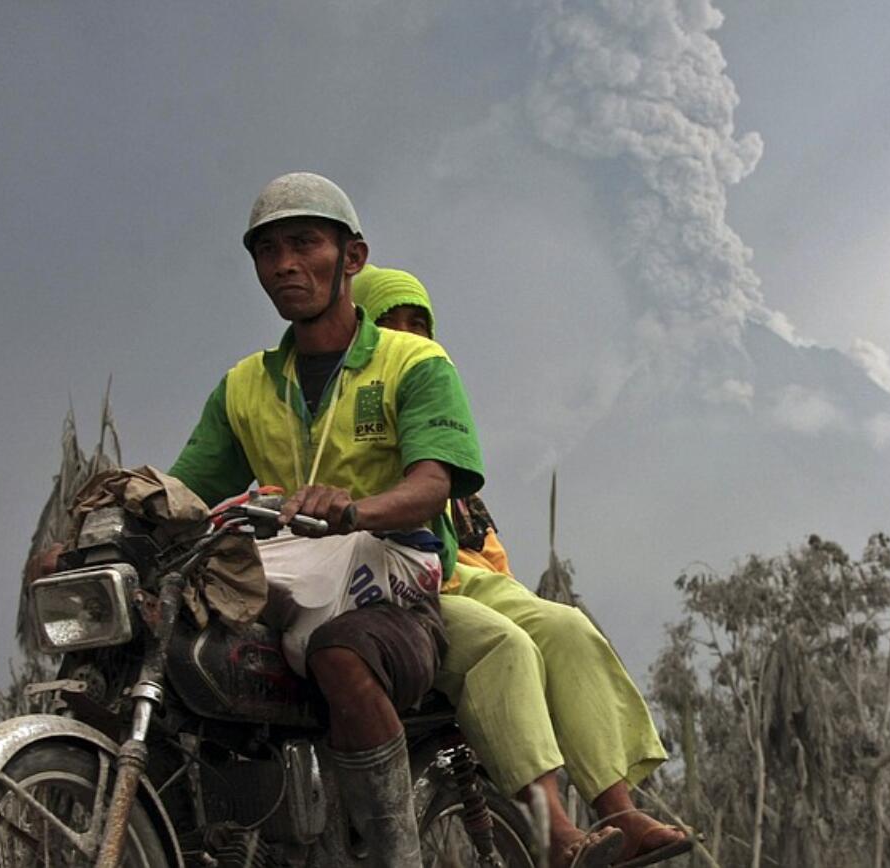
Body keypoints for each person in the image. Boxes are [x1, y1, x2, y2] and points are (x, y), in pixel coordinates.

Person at [167, 172, 485, 868]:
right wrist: (97, 526)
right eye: (268, 250)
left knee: (340, 651)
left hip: (396, 582)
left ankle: (394, 856)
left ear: (353, 258)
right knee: (166, 641)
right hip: (291, 575)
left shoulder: (415, 362)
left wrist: (355, 508)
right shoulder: (245, 382)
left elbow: (432, 485)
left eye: (305, 243)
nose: (284, 264)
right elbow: (186, 493)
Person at [354, 265, 693, 867]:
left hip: (469, 579)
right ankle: (554, 830)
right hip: (397, 581)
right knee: (504, 644)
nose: (410, 338)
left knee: (565, 628)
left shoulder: (441, 432)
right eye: (390, 326)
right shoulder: (348, 419)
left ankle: (618, 810)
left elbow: (487, 556)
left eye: (419, 325)